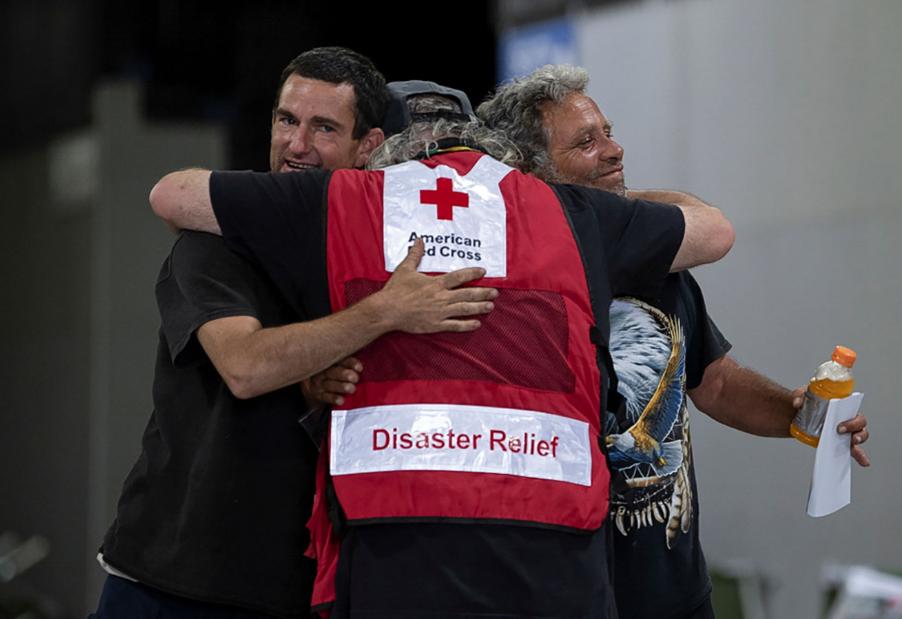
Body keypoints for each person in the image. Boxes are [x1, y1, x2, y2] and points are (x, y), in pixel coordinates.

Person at [148, 82, 733, 619]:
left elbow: (172, 195)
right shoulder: (568, 213)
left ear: (378, 149)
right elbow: (714, 232)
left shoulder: (342, 199)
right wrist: (600, 201)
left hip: (399, 533)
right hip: (553, 538)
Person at [91, 48, 496, 619]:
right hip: (173, 584)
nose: (296, 145)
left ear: (369, 145)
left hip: (307, 585)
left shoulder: (395, 258)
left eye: (323, 127)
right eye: (287, 120)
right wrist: (381, 313)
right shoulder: (215, 239)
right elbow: (247, 367)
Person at [476, 64, 870, 619]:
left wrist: (797, 412)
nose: (614, 150)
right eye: (586, 142)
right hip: (558, 592)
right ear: (529, 171)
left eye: (608, 131)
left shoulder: (656, 264)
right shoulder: (506, 281)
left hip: (673, 595)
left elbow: (717, 384)